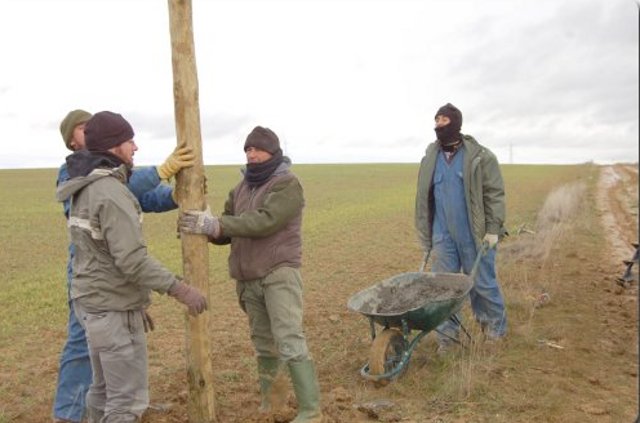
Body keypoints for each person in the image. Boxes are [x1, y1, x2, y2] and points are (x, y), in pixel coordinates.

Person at [55, 111, 208, 423]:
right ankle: (66, 416)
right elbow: (131, 259)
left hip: (101, 298)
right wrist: (179, 289)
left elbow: (144, 201)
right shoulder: (108, 191)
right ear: (113, 147)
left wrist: (131, 302)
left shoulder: (88, 182)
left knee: (101, 391)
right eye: (129, 141)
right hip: (107, 303)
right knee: (126, 402)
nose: (135, 147)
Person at [178, 126, 322, 423]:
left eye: (257, 149)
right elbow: (227, 229)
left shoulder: (287, 184)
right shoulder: (241, 188)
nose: (252, 154)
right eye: (247, 150)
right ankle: (273, 403)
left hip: (278, 273)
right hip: (248, 278)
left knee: (288, 338)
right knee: (263, 342)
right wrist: (200, 227)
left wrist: (218, 225)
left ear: (273, 151)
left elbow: (265, 222)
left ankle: (311, 410)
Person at [415, 103, 507, 352]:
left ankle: (494, 332)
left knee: (481, 284)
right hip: (442, 234)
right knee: (444, 288)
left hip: (474, 233)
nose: (438, 124)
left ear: (455, 123)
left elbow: (494, 194)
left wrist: (493, 229)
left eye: (443, 120)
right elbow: (424, 198)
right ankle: (448, 339)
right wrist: (428, 236)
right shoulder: (430, 158)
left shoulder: (480, 157)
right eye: (436, 120)